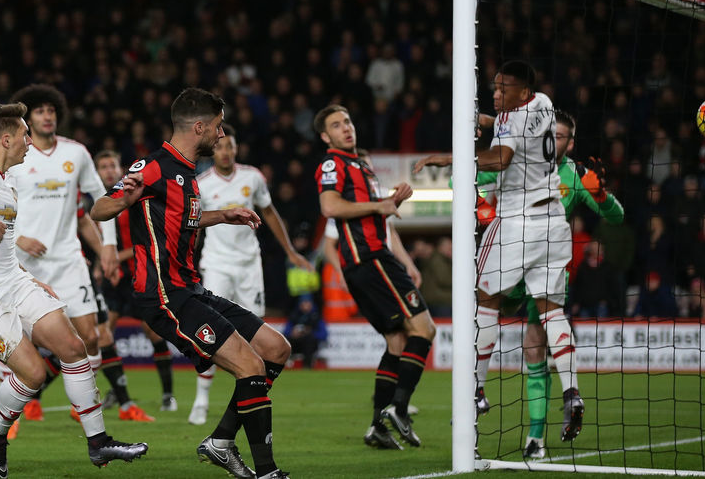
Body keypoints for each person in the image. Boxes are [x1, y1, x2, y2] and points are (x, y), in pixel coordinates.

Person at [0, 103, 147, 479]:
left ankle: (99, 442)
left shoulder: (9, 181)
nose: (29, 143)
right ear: (6, 138)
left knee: (74, 346)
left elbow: (1, 244)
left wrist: (23, 274)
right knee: (34, 375)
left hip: (15, 283)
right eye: (24, 135)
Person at [91, 88, 291, 479]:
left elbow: (182, 219)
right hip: (163, 294)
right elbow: (100, 208)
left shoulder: (189, 175)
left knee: (276, 349)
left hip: (191, 288)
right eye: (217, 127)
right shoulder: (152, 166)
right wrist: (122, 198)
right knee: (249, 365)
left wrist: (223, 215)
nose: (220, 136)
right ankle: (267, 472)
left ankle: (220, 442)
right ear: (198, 126)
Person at [414, 61, 584, 446]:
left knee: (485, 299)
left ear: (523, 93)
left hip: (517, 222)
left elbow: (502, 158)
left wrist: (451, 157)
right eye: (494, 86)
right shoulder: (543, 103)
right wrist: (489, 120)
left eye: (504, 88)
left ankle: (475, 390)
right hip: (555, 223)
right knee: (550, 310)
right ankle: (572, 391)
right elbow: (514, 125)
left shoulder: (511, 122)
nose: (496, 92)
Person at [3, 84, 156, 422]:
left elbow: (104, 198)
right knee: (20, 342)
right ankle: (9, 417)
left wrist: (110, 248)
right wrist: (17, 241)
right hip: (26, 265)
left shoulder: (76, 153)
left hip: (69, 260)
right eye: (40, 111)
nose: (47, 116)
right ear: (28, 118)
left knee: (90, 336)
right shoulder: (15, 158)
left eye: (51, 110)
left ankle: (82, 407)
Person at [475, 109, 623, 457]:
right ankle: (482, 403)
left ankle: (535, 439)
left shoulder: (574, 175)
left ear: (569, 144)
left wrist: (602, 195)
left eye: (559, 136)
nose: (551, 139)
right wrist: (480, 200)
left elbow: (616, 216)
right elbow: (469, 182)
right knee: (487, 316)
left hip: (543, 264)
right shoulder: (517, 160)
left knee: (532, 346)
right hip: (512, 253)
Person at [313, 105, 436, 450]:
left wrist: (389, 200)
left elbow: (370, 213)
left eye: (348, 121)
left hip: (369, 263)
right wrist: (379, 206)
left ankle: (377, 428)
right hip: (371, 261)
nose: (346, 128)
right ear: (326, 137)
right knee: (425, 329)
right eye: (336, 125)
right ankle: (398, 409)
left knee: (397, 342)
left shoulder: (361, 166)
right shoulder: (332, 164)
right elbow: (330, 207)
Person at [190, 125, 314, 426]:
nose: (225, 151)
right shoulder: (202, 183)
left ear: (236, 148)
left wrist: (290, 252)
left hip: (249, 266)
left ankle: (248, 394)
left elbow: (270, 213)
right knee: (211, 331)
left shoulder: (253, 177)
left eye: (230, 146)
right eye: (220, 147)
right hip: (217, 264)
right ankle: (202, 398)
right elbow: (192, 225)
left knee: (256, 332)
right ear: (213, 150)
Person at [92, 149, 176, 413]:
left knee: (152, 332)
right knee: (101, 334)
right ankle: (115, 393)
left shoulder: (133, 196)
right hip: (113, 277)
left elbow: (146, 238)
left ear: (120, 168)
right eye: (102, 166)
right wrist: (101, 264)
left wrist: (116, 257)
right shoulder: (99, 203)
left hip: (139, 272)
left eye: (111, 165)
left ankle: (168, 395)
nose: (107, 170)